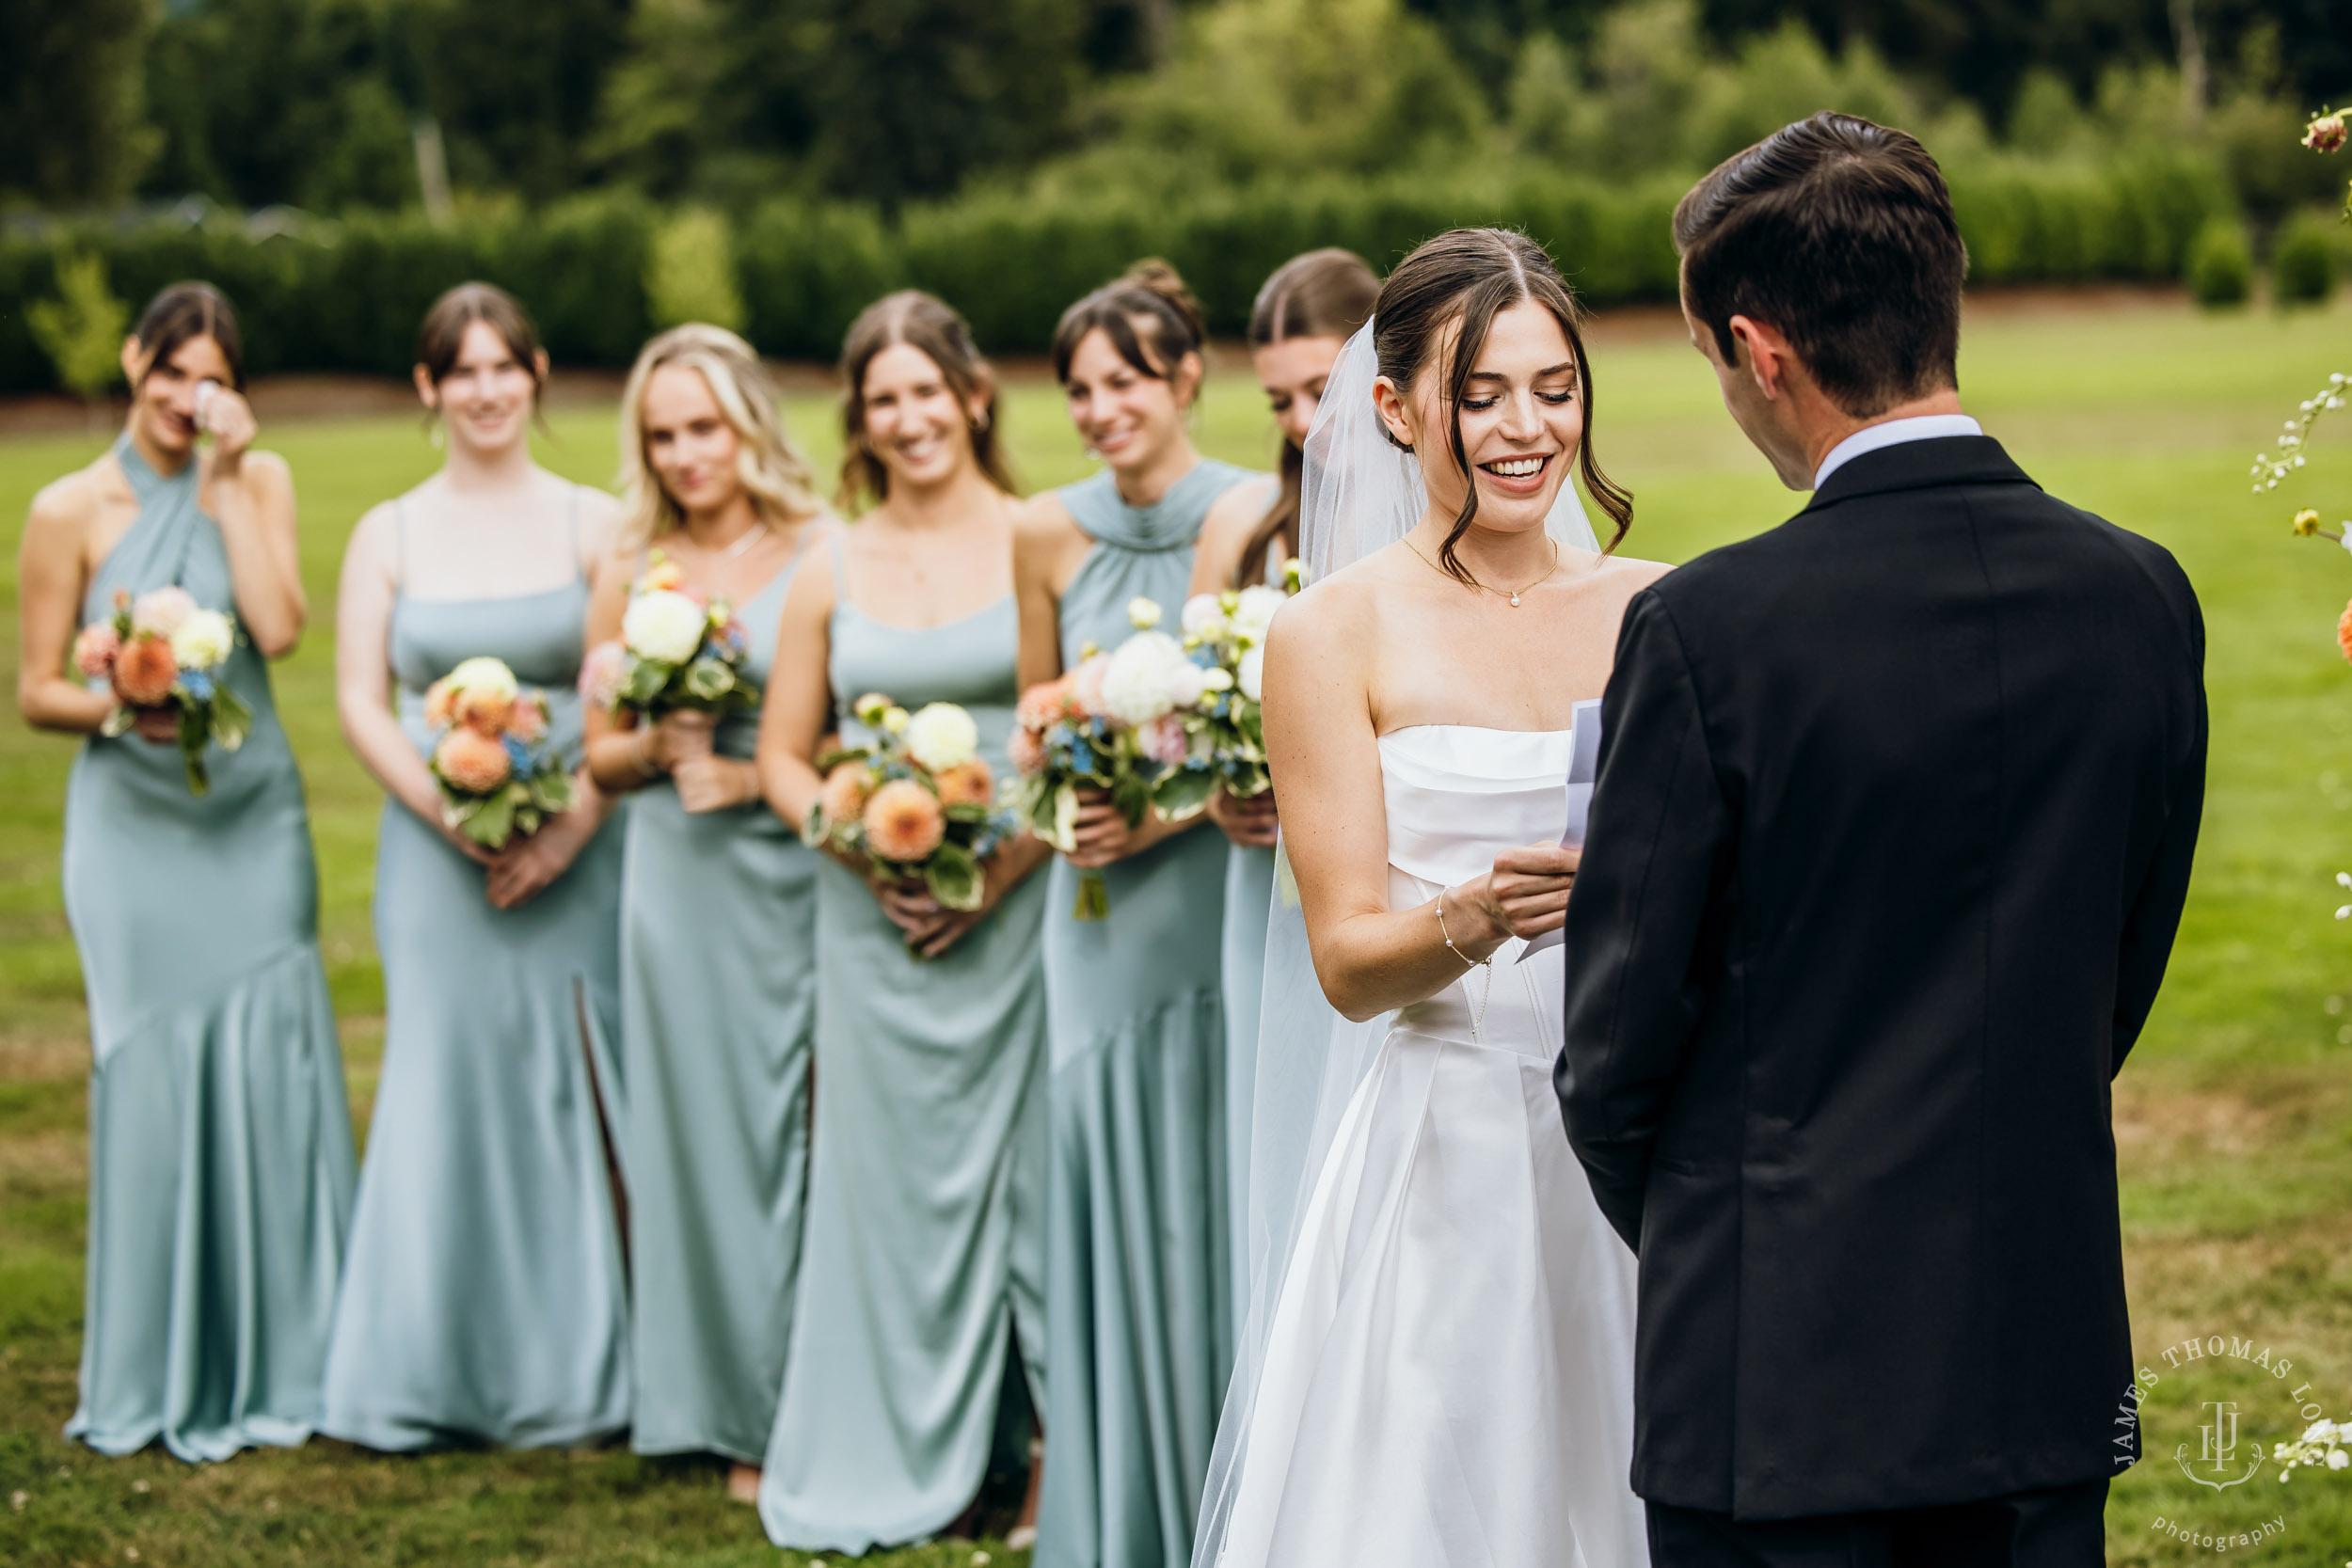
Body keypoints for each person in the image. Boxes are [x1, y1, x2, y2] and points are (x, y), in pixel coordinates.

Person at [1556, 113, 2206, 1567]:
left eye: (1717, 366)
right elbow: (2118, 970)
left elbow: (1611, 1051)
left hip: (1777, 1376)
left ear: (1760, 348)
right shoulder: (2142, 594)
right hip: (2035, 1340)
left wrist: (1730, 1224)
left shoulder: (1706, 629)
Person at [1195, 229, 1660, 1567]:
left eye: (1555, 386)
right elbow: (1346, 960)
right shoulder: (1329, 631)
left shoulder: (1663, 610)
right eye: (1481, 393)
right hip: (1446, 1141)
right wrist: (1482, 913)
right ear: (1395, 408)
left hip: (1635, 1131)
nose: (1528, 429)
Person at [17, 281, 353, 1463]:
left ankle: (296, 1352)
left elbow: (280, 626)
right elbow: (37, 689)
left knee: (270, 1068)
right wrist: (119, 698)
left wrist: (223, 482)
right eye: (169, 372)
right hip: (132, 834)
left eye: (208, 378)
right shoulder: (68, 507)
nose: (183, 398)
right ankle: (159, 1358)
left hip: (250, 823)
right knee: (149, 1076)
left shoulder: (256, 482)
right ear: (131, 362)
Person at [755, 291, 1053, 1552]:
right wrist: (855, 832)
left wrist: (1000, 867)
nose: (909, 417)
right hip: (873, 920)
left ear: (973, 397)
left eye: (927, 392)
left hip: (1019, 902)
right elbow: (780, 752)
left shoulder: (1037, 538)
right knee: (886, 1191)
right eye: (884, 401)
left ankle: (1034, 1442)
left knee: (1029, 1181)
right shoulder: (827, 563)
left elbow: (1057, 728)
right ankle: (894, 1438)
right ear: (861, 423)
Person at [322, 282, 631, 1450]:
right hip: (434, 852)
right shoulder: (388, 530)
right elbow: (359, 697)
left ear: (537, 374)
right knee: (444, 1080)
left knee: (574, 1075)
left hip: (582, 850)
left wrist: (569, 826)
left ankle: (584, 1370)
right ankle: (430, 1365)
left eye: (506, 367)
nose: (487, 390)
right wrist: (447, 817)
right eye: (464, 370)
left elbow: (620, 697)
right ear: (428, 388)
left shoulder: (593, 523)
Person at [1015, 261, 1265, 1568]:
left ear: (1184, 378)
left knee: (1214, 1171)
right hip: (1097, 915)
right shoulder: (1041, 530)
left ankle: (1236, 1494)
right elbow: (1035, 718)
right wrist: (1069, 805)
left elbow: (1268, 739)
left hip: (1214, 888)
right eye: (1077, 390)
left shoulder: (1254, 510)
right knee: (1111, 1161)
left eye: (1123, 381)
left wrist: (1160, 814)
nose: (1100, 408)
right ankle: (1122, 1503)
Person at [582, 325, 829, 1492]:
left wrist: (750, 768)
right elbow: (596, 755)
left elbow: (858, 712)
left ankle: (814, 1391)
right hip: (674, 879)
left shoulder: (824, 544)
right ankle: (720, 1402)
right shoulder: (632, 560)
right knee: (697, 1141)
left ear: (749, 424)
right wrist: (654, 740)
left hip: (793, 868)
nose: (685, 453)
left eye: (703, 426)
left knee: (808, 1128)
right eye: (662, 434)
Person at [1187, 247, 1378, 1336]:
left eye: (1325, 386)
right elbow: (1197, 707)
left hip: (1378, 879)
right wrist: (1223, 791)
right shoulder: (1247, 529)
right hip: (1261, 899)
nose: (1307, 419)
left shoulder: (1433, 521)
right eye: (1280, 399)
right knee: (1280, 1155)